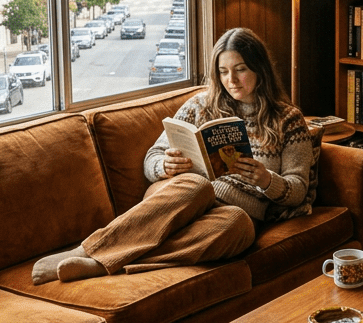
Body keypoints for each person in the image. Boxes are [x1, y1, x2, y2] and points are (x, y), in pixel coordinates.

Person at [31, 27, 315, 284]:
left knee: (238, 226)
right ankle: (89, 249)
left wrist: (266, 180)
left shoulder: (287, 119)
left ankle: (106, 264)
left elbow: (298, 190)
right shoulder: (200, 105)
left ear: (259, 69)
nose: (231, 80)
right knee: (198, 185)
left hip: (237, 210)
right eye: (223, 71)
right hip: (180, 197)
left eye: (240, 69)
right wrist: (164, 165)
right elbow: (153, 157)